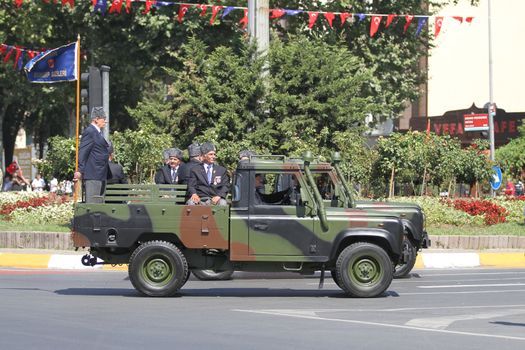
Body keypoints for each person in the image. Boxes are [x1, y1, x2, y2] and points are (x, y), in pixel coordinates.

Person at [73, 107, 111, 203]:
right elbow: (83, 151)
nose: (105, 121)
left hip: (100, 174)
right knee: (93, 206)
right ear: (96, 119)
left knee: (99, 205)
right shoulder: (90, 132)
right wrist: (80, 170)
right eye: (104, 118)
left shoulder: (97, 133)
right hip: (93, 174)